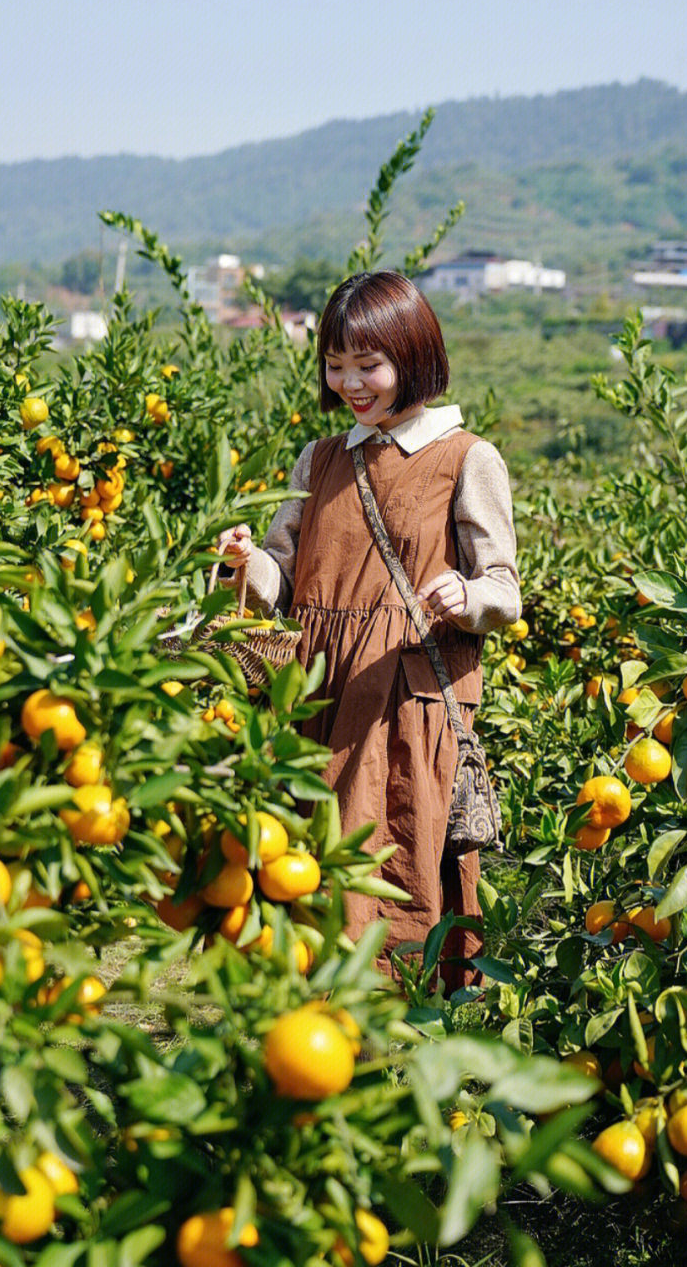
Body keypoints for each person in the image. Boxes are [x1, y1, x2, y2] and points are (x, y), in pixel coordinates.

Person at [217, 270, 521, 987]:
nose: (351, 382)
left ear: (413, 357)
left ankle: (393, 1044)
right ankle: (304, 1034)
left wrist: (465, 594)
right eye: (336, 364)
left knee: (390, 865)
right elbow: (285, 583)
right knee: (303, 868)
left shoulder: (464, 458)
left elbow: (504, 590)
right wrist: (245, 560)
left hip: (401, 702)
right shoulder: (320, 459)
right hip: (314, 697)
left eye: (369, 365)